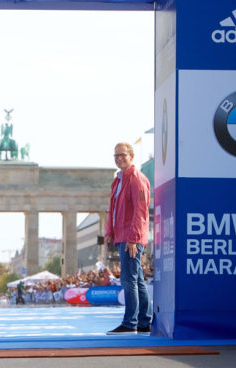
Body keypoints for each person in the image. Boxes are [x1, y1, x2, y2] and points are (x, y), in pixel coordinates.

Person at [105, 142, 152, 335]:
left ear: (131, 156)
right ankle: (144, 322)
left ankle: (130, 322)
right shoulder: (117, 180)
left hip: (131, 238)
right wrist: (109, 232)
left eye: (122, 155)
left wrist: (133, 238)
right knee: (137, 280)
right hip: (122, 235)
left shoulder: (137, 179)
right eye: (116, 156)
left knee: (128, 280)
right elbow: (113, 210)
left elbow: (141, 211)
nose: (119, 158)